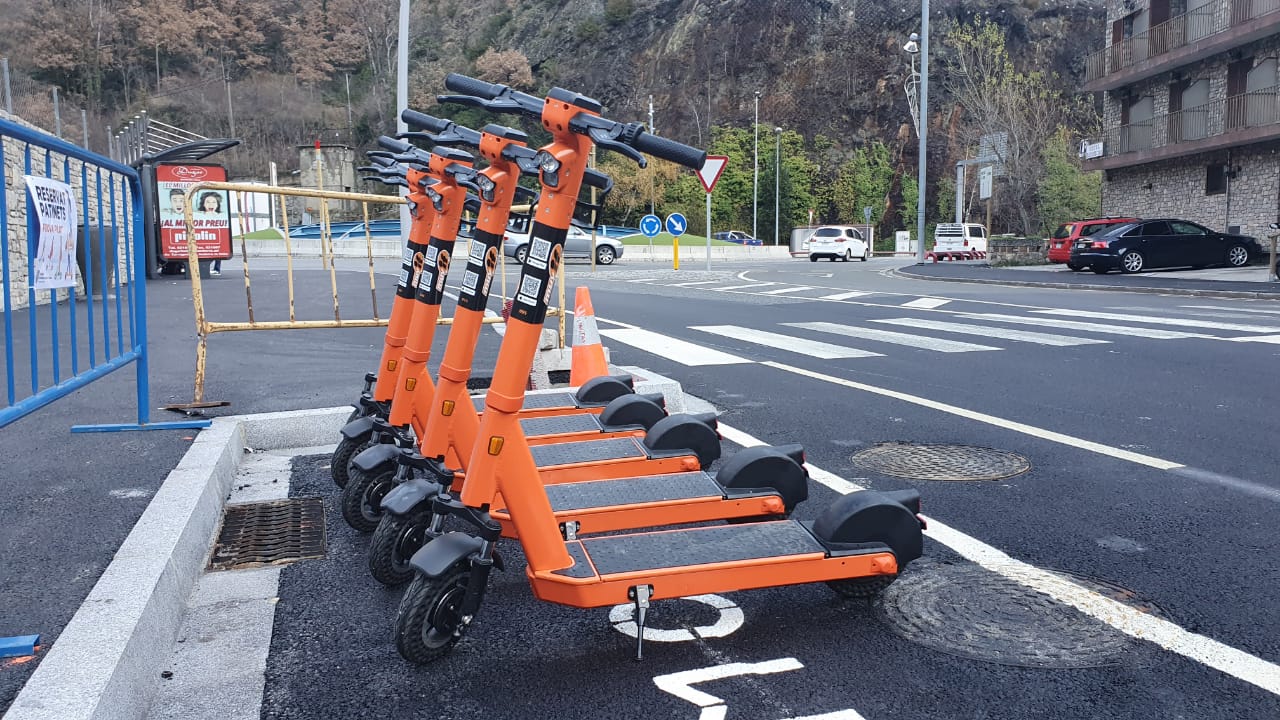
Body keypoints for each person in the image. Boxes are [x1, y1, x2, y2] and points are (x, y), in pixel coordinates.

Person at [197, 192, 225, 275]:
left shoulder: (221, 216)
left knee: (217, 253)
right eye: (208, 202)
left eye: (213, 202)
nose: (211, 205)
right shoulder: (199, 215)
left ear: (217, 204)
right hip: (204, 236)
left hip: (216, 237)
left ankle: (216, 269)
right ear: (203, 204)